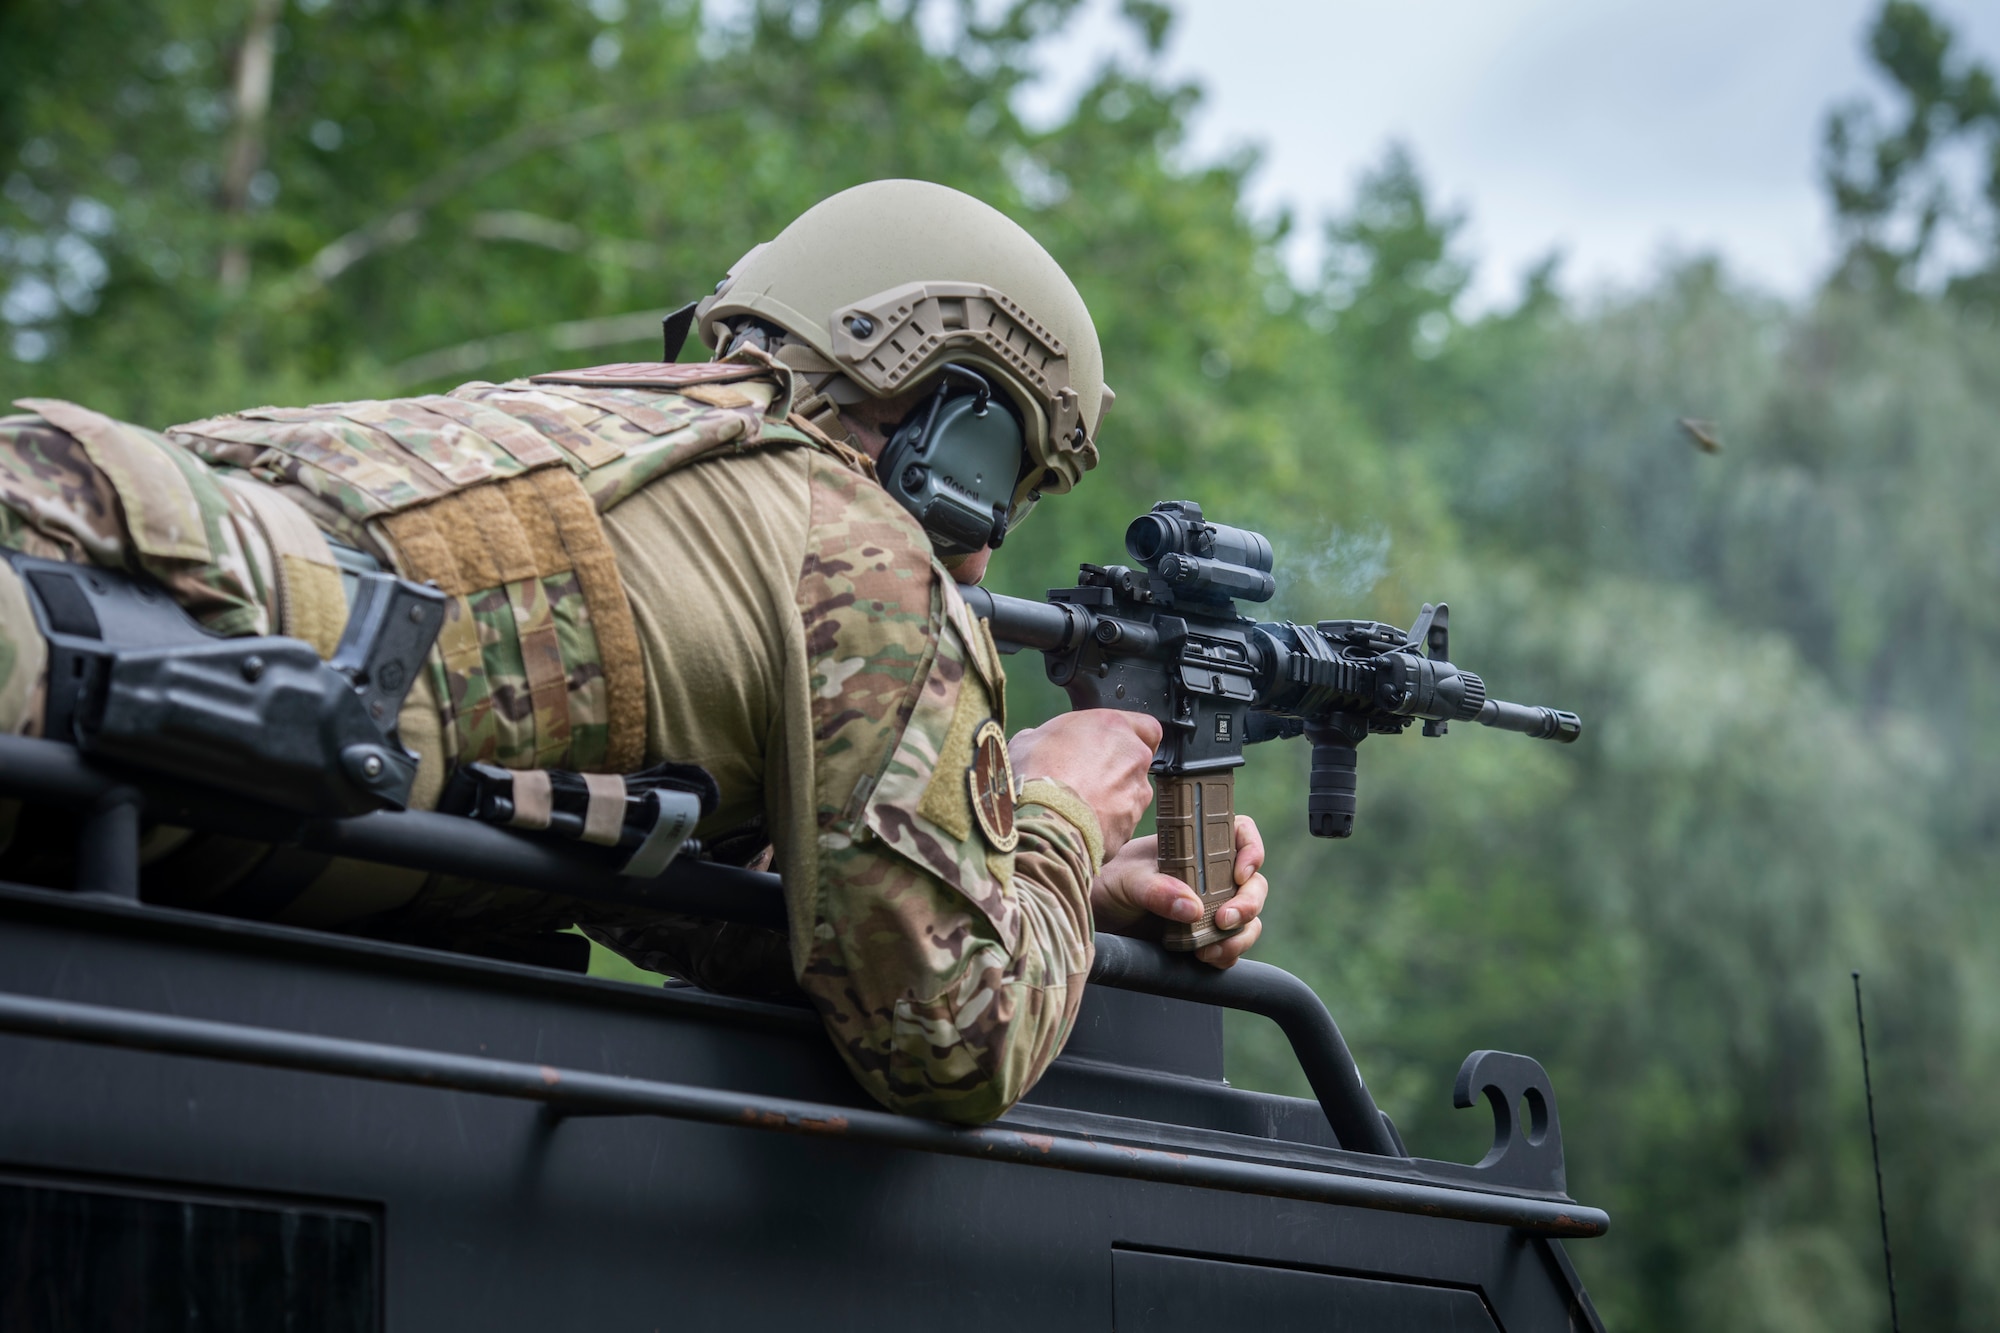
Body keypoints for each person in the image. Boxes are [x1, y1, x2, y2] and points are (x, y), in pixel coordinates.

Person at [0, 179, 1269, 1124]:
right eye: (1011, 487)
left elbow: (608, 837)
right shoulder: (862, 551)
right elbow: (952, 1040)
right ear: (961, 424)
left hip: (76, 555)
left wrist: (1024, 877)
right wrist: (1051, 812)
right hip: (99, 666)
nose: (985, 558)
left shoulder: (593, 428)